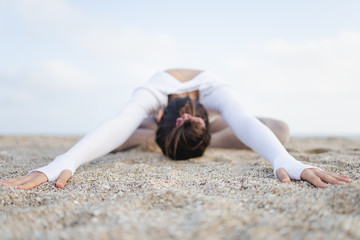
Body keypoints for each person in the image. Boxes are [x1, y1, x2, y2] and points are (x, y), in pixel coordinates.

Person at [0, 69, 351, 190]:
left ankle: (183, 139)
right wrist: (65, 161)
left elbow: (243, 120)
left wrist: (283, 158)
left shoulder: (216, 92)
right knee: (121, 128)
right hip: (154, 124)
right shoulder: (150, 95)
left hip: (190, 124)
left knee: (279, 129)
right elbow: (119, 123)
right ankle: (162, 138)